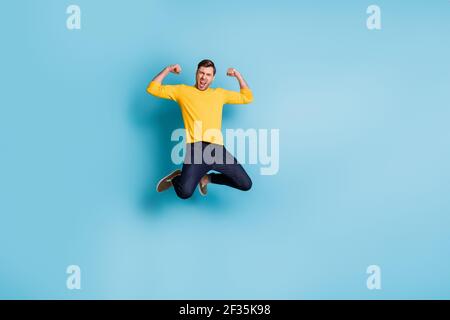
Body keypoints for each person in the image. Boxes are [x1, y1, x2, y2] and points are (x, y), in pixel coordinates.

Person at [147, 59, 253, 199]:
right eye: (201, 73)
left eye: (208, 74)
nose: (204, 77)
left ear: (213, 78)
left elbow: (247, 97)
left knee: (245, 184)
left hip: (217, 150)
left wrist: (237, 75)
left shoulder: (219, 94)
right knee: (184, 193)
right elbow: (152, 88)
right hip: (196, 149)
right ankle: (177, 177)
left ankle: (206, 179)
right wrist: (168, 70)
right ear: (196, 73)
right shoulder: (183, 91)